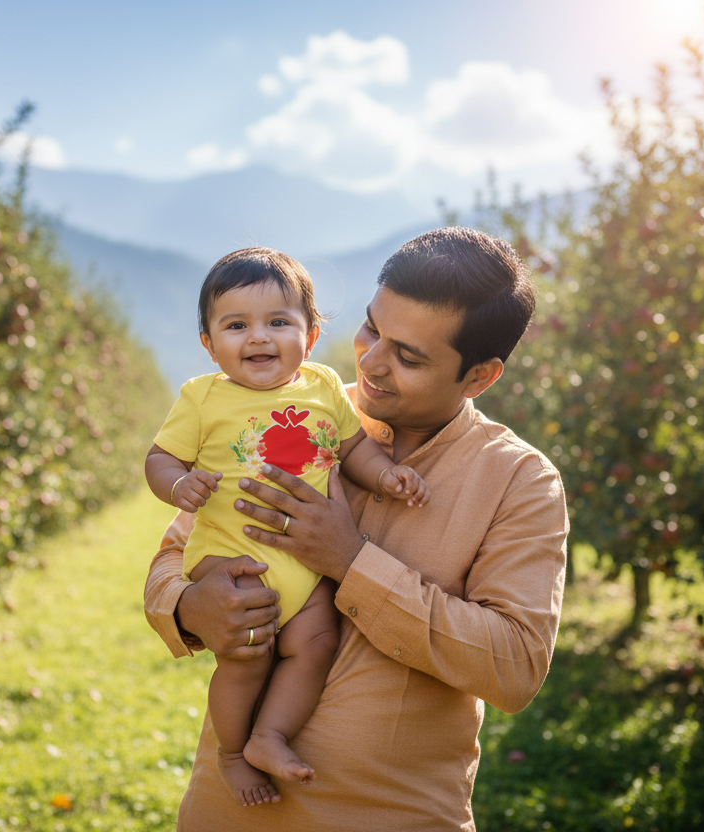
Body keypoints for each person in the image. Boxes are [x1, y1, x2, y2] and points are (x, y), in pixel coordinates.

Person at [145, 226, 569, 831]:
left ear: (479, 377)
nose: (370, 360)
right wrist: (190, 607)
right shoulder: (291, 408)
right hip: (228, 811)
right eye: (372, 329)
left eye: (409, 356)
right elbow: (174, 553)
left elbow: (515, 665)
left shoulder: (519, 482)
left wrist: (352, 561)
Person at [145, 247, 430, 807]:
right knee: (246, 651)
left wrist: (386, 476)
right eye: (236, 325)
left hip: (306, 565)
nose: (258, 338)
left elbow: (353, 449)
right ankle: (231, 752)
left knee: (315, 641)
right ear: (208, 342)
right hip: (234, 558)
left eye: (279, 322)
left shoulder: (323, 387)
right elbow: (160, 459)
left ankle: (268, 736)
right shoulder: (201, 398)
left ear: (312, 333)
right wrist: (179, 486)